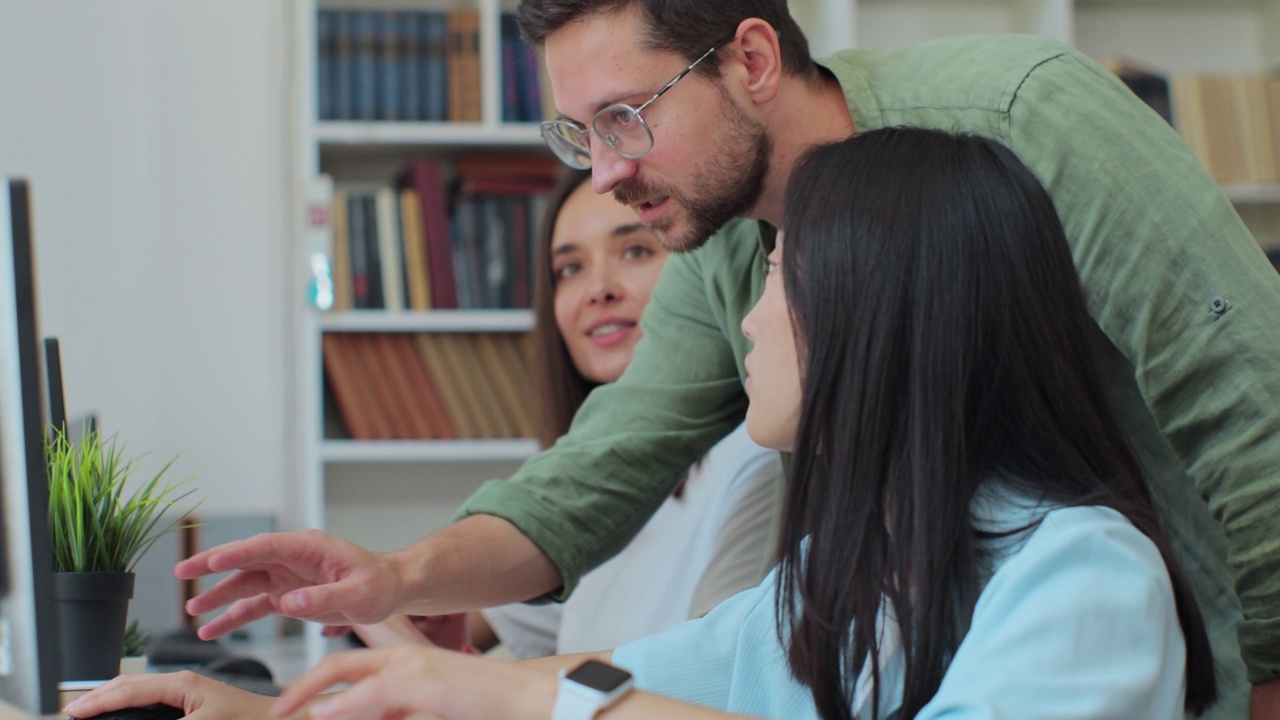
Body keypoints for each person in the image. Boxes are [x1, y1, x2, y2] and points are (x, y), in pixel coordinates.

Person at [142, 2, 1280, 716]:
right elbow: (597, 477)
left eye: (623, 117)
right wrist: (393, 591)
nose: (600, 172)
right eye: (576, 134)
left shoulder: (1023, 119)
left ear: (747, 59)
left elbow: (1248, 413)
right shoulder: (836, 583)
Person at [349, 168, 783, 657]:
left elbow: (708, 676)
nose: (598, 289)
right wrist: (379, 596)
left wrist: (451, 677)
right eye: (569, 269)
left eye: (635, 251)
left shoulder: (754, 455)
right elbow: (459, 626)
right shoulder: (581, 494)